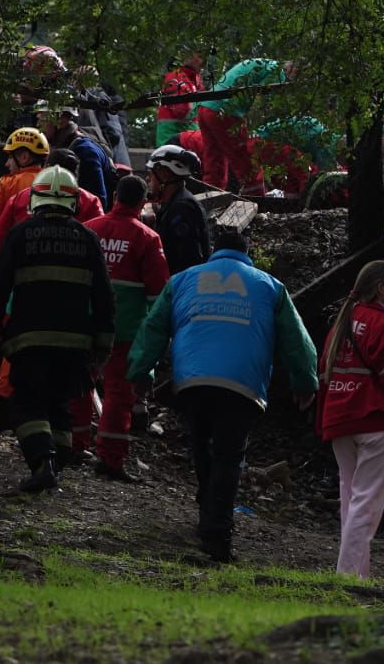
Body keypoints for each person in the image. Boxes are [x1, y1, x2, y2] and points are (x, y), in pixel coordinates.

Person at [127, 228, 317, 562]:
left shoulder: (183, 280)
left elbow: (153, 328)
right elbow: (296, 341)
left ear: (214, 252)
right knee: (229, 456)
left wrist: (141, 374)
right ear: (248, 255)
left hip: (192, 380)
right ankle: (217, 534)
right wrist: (305, 383)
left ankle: (207, 509)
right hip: (242, 383)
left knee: (202, 447)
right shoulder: (270, 287)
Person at [0, 166, 115, 492]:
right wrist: (103, 343)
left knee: (25, 403)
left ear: (35, 199)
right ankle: (57, 461)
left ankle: (42, 462)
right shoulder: (87, 238)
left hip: (29, 338)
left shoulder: (21, 234)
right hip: (76, 343)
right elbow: (104, 296)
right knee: (58, 402)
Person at [318, 260, 384, 578]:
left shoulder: (344, 322)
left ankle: (356, 572)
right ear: (380, 287)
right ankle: (349, 575)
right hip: (374, 420)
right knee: (367, 504)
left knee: (350, 497)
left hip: (340, 418)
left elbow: (325, 370)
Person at [84, 175, 170, 480]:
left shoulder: (90, 229)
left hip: (86, 323)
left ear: (116, 196)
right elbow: (158, 293)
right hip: (125, 329)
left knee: (80, 384)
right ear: (142, 201)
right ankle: (110, 458)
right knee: (120, 394)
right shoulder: (147, 238)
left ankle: (73, 444)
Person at [195, 58, 293, 193]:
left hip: (206, 107)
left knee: (214, 160)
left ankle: (210, 197)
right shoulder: (278, 71)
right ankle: (257, 199)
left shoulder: (264, 63)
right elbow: (263, 97)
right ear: (292, 70)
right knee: (245, 160)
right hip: (225, 111)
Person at [145, 144, 210, 275]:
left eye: (151, 174)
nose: (147, 179)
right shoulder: (174, 203)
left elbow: (187, 259)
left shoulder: (183, 208)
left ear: (165, 175)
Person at [157, 48, 204, 147]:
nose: (202, 60)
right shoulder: (176, 76)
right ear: (187, 57)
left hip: (185, 139)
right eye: (199, 56)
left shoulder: (194, 80)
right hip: (173, 139)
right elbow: (181, 111)